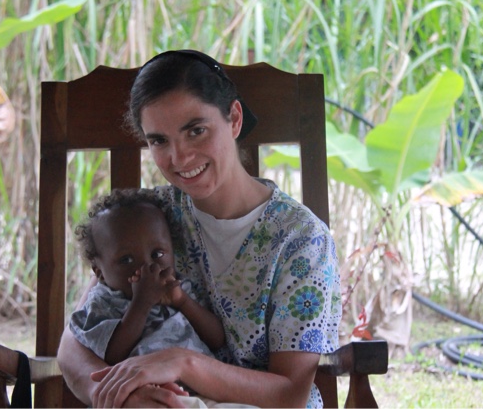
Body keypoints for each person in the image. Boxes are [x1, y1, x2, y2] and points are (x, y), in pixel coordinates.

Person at [57, 50, 342, 408]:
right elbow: (72, 347)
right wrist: (121, 396)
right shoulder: (148, 218)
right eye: (159, 140)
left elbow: (290, 395)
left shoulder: (301, 241)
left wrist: (183, 362)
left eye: (196, 131)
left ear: (234, 119)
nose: (179, 158)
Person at [69, 188, 224, 367]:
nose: (148, 268)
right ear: (99, 272)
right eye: (126, 260)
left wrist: (182, 301)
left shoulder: (178, 288)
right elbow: (112, 355)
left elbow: (217, 340)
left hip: (199, 380)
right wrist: (142, 303)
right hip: (147, 383)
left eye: (157, 254)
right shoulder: (102, 304)